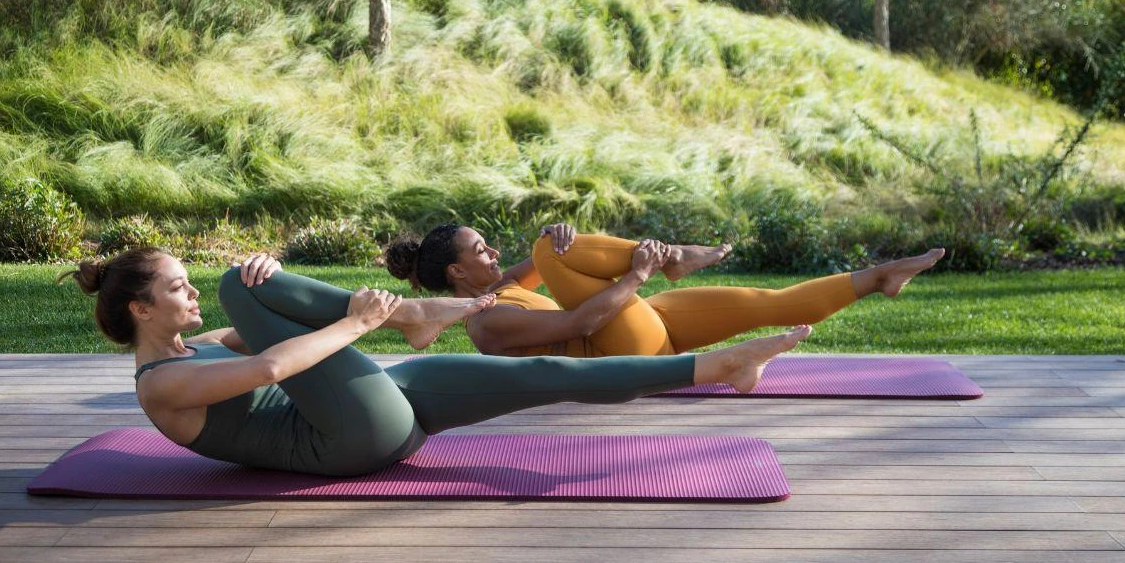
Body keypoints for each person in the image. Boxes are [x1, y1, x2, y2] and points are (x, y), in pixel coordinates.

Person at [58, 247, 813, 477]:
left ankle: (717, 369)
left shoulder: (190, 352)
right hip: (344, 441)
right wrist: (360, 322)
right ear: (139, 310)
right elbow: (270, 370)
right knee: (240, 282)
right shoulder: (163, 386)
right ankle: (414, 317)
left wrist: (305, 297)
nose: (190, 295)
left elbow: (263, 337)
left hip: (377, 408)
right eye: (176, 288)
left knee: (542, 375)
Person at [384, 223, 944, 357]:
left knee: (768, 304)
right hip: (618, 349)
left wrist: (562, 237)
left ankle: (882, 276)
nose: (492, 253)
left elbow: (558, 252)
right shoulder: (487, 324)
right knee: (540, 249)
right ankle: (674, 258)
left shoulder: (497, 290)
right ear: (457, 274)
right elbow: (578, 325)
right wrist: (637, 275)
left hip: (649, 322)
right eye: (481, 251)